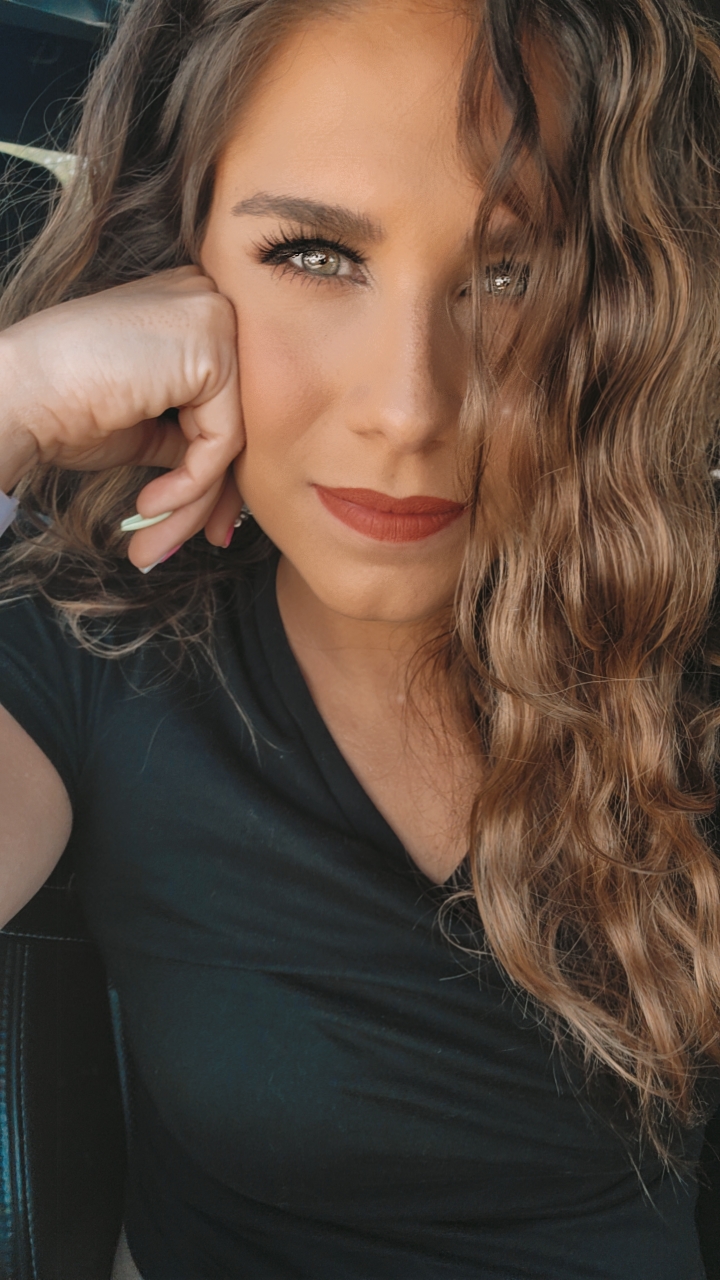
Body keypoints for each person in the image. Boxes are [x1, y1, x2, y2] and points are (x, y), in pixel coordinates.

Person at [0, 0, 719, 1275]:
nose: (409, 406)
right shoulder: (96, 648)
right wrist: (14, 399)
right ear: (177, 255)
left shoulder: (686, 652)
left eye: (513, 274)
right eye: (316, 254)